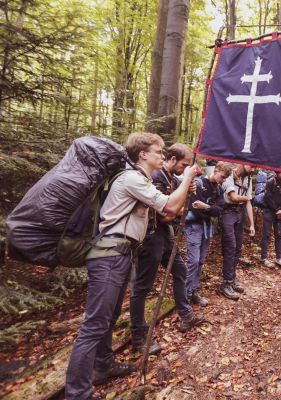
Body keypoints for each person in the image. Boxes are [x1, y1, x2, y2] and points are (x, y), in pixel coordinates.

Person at [65, 132, 198, 400]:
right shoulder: (131, 179)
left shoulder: (140, 179)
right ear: (143, 155)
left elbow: (169, 211)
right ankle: (77, 393)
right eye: (158, 151)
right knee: (94, 325)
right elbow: (170, 206)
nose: (163, 155)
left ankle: (103, 365)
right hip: (110, 257)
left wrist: (184, 187)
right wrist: (187, 179)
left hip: (119, 255)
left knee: (109, 317)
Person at [129, 144, 204, 357]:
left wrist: (185, 192)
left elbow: (176, 210)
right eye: (183, 165)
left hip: (165, 235)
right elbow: (165, 214)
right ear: (172, 159)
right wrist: (178, 209)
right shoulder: (157, 177)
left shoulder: (172, 178)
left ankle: (185, 314)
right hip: (151, 236)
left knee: (180, 270)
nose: (184, 169)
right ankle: (139, 334)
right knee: (142, 286)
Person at [184, 162, 232, 307]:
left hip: (207, 228)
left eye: (225, 179)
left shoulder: (217, 189)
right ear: (216, 170)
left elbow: (219, 210)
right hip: (194, 226)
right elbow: (194, 207)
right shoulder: (198, 183)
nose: (223, 180)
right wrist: (210, 210)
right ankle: (185, 294)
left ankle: (193, 291)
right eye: (222, 177)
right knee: (193, 260)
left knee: (200, 261)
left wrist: (206, 207)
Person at [219, 163, 256, 300]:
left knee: (238, 248)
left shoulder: (248, 178)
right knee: (230, 247)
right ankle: (226, 283)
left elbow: (248, 203)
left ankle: (232, 279)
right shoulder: (229, 175)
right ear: (243, 163)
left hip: (240, 214)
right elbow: (233, 197)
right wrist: (246, 198)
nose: (253, 170)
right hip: (228, 212)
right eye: (251, 166)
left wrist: (252, 224)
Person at [261, 171, 281, 268]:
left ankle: (279, 258)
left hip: (280, 213)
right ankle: (264, 257)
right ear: (277, 173)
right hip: (269, 211)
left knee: (278, 234)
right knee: (266, 234)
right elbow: (267, 198)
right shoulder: (270, 182)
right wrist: (277, 210)